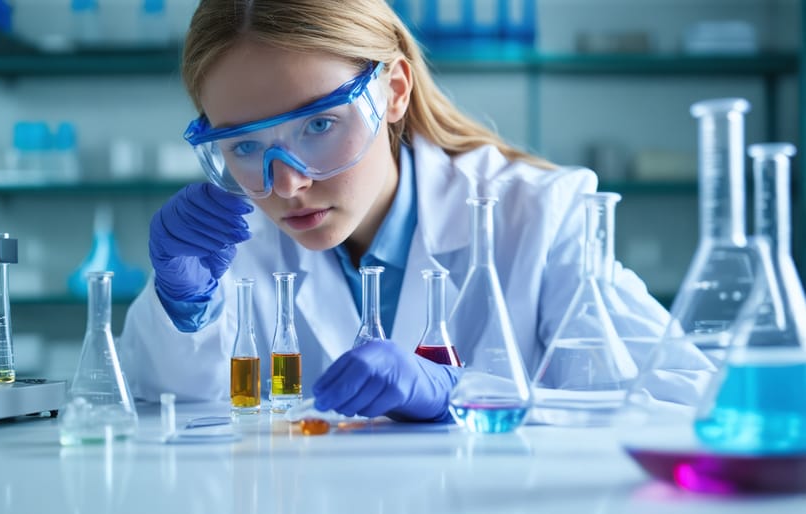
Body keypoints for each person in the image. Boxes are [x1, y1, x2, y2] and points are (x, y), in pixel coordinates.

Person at [119, 0, 669, 422]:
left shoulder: (537, 216)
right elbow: (157, 421)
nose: (286, 183)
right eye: (243, 145)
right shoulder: (227, 250)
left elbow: (677, 399)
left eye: (318, 125)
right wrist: (183, 311)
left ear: (394, 92)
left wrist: (469, 394)